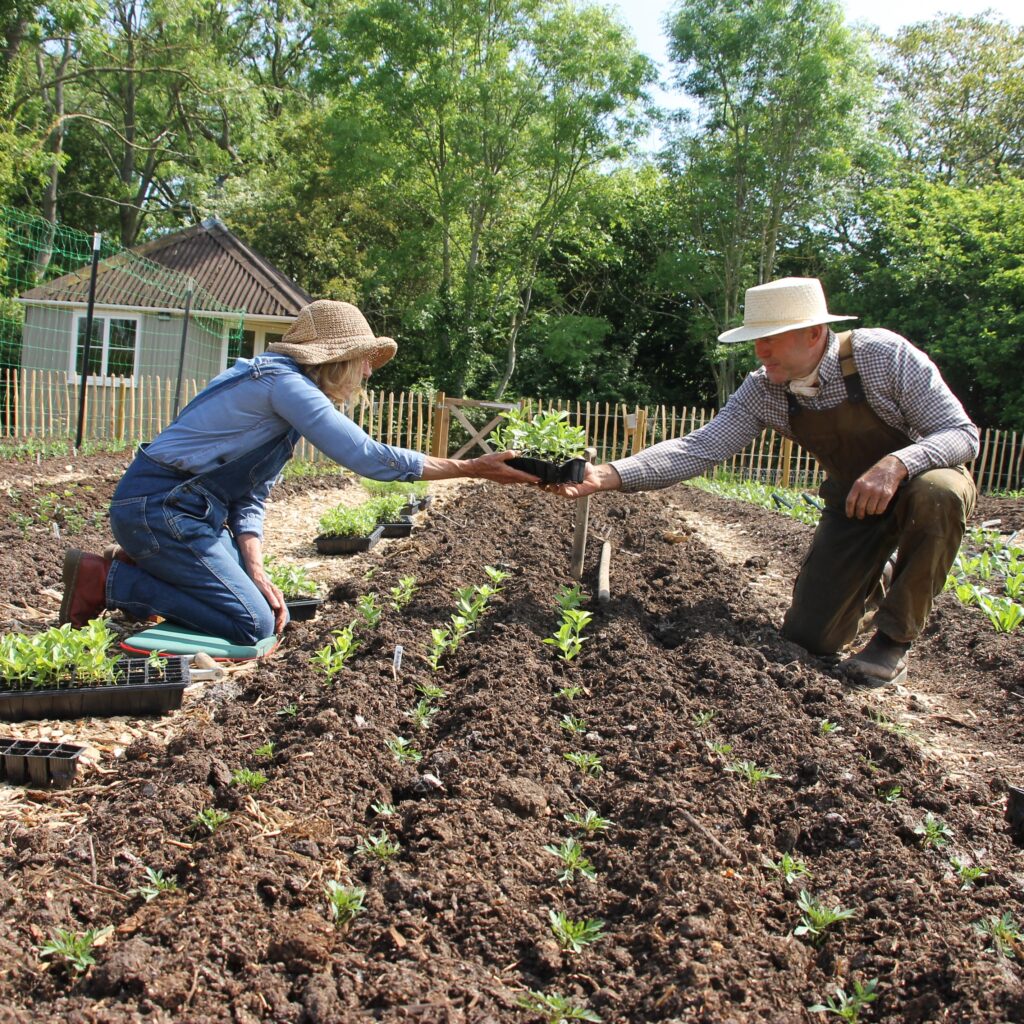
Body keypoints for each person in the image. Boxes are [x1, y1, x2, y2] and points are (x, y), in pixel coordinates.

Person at [548, 277, 979, 687]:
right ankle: (875, 573)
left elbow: (961, 433)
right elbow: (700, 447)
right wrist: (607, 475)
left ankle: (893, 639)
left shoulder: (882, 356)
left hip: (924, 480)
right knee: (811, 639)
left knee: (939, 493)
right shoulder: (764, 390)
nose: (759, 351)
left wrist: (896, 464)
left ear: (812, 333)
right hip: (854, 501)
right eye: (755, 340)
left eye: (769, 339)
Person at [58, 299, 539, 644]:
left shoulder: (281, 398)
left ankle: (149, 563)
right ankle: (109, 582)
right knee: (253, 626)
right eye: (363, 361)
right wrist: (473, 467)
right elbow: (367, 457)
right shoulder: (283, 386)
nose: (368, 373)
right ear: (335, 358)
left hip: (180, 513)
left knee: (261, 601)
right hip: (161, 510)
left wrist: (255, 565)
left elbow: (251, 495)